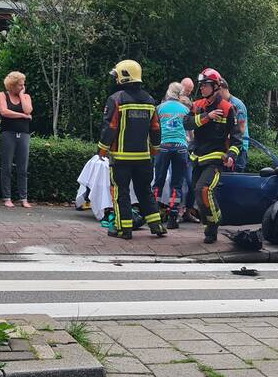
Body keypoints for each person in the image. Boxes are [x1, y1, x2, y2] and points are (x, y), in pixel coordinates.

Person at [98, 59, 166, 240]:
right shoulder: (150, 100)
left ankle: (123, 229)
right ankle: (157, 225)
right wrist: (155, 148)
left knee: (121, 192)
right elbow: (156, 128)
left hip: (121, 157)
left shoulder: (116, 99)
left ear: (124, 77)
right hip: (143, 158)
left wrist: (102, 149)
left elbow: (110, 127)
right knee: (145, 190)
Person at [184, 67, 240, 244]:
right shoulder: (198, 105)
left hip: (215, 159)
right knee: (198, 193)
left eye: (205, 85)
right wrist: (207, 116)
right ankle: (210, 223)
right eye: (201, 86)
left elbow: (237, 138)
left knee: (204, 189)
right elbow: (187, 123)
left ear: (216, 86)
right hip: (198, 157)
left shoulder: (228, 108)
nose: (201, 88)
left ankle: (214, 225)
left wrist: (231, 153)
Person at [153, 82, 190, 229]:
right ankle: (172, 218)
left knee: (158, 181)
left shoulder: (159, 108)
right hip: (181, 147)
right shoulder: (185, 109)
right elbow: (190, 132)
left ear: (168, 92)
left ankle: (154, 216)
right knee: (177, 183)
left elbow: (155, 129)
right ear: (181, 94)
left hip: (163, 147)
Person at [0, 71, 33, 208]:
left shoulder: (26, 96)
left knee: (22, 168)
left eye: (23, 85)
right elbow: (4, 112)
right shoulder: (2, 95)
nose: (22, 87)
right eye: (20, 85)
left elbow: (28, 110)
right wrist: (23, 116)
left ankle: (23, 198)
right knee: (6, 166)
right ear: (12, 85)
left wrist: (22, 95)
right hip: (8, 133)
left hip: (23, 134)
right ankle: (7, 197)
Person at [220, 79, 250, 172]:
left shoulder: (237, 104)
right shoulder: (221, 104)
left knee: (236, 177)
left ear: (221, 89)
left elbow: (241, 128)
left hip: (239, 148)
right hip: (226, 148)